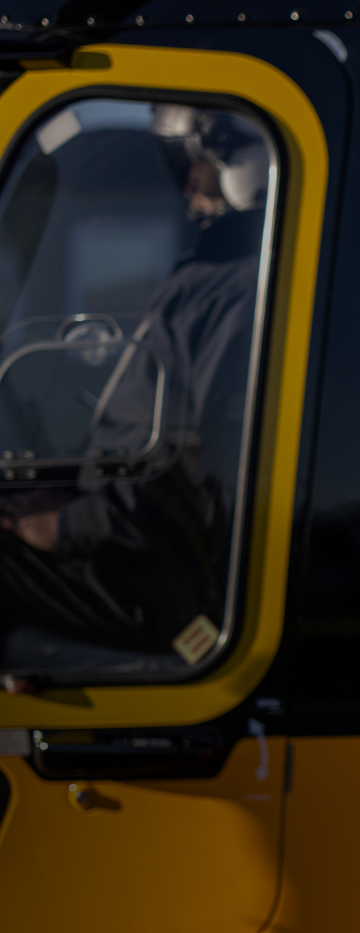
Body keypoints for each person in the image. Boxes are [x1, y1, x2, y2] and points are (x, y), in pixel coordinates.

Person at [0, 104, 268, 673]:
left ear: (242, 165)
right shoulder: (209, 282)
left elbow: (204, 478)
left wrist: (67, 525)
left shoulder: (241, 298)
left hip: (154, 582)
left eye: (189, 166)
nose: (185, 187)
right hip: (126, 546)